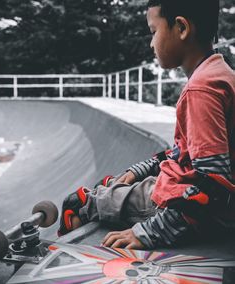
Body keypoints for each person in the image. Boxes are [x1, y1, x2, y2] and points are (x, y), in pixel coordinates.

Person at [58, 0, 235, 249]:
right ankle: (115, 190)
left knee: (80, 202)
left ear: (181, 28)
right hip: (195, 195)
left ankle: (70, 246)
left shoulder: (201, 89)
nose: (151, 43)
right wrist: (139, 171)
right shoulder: (221, 74)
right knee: (116, 183)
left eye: (154, 32)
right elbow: (184, 152)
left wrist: (149, 232)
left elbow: (212, 182)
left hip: (205, 215)